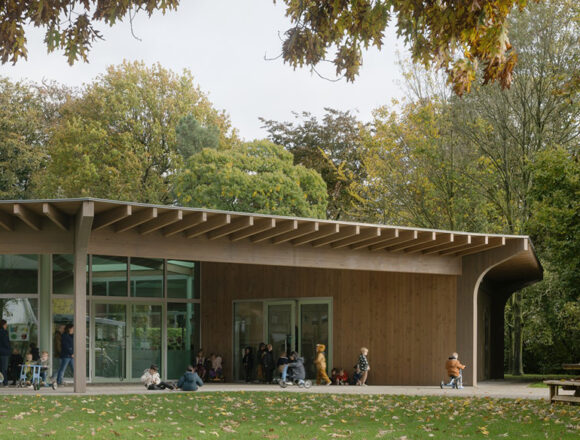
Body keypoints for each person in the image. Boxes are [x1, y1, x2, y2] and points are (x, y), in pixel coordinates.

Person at [0, 319, 10, 386]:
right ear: (3, 325)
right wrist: (9, 349)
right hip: (4, 352)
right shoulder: (4, 332)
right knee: (4, 368)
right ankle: (5, 382)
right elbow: (6, 342)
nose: (6, 326)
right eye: (6, 324)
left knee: (1, 368)